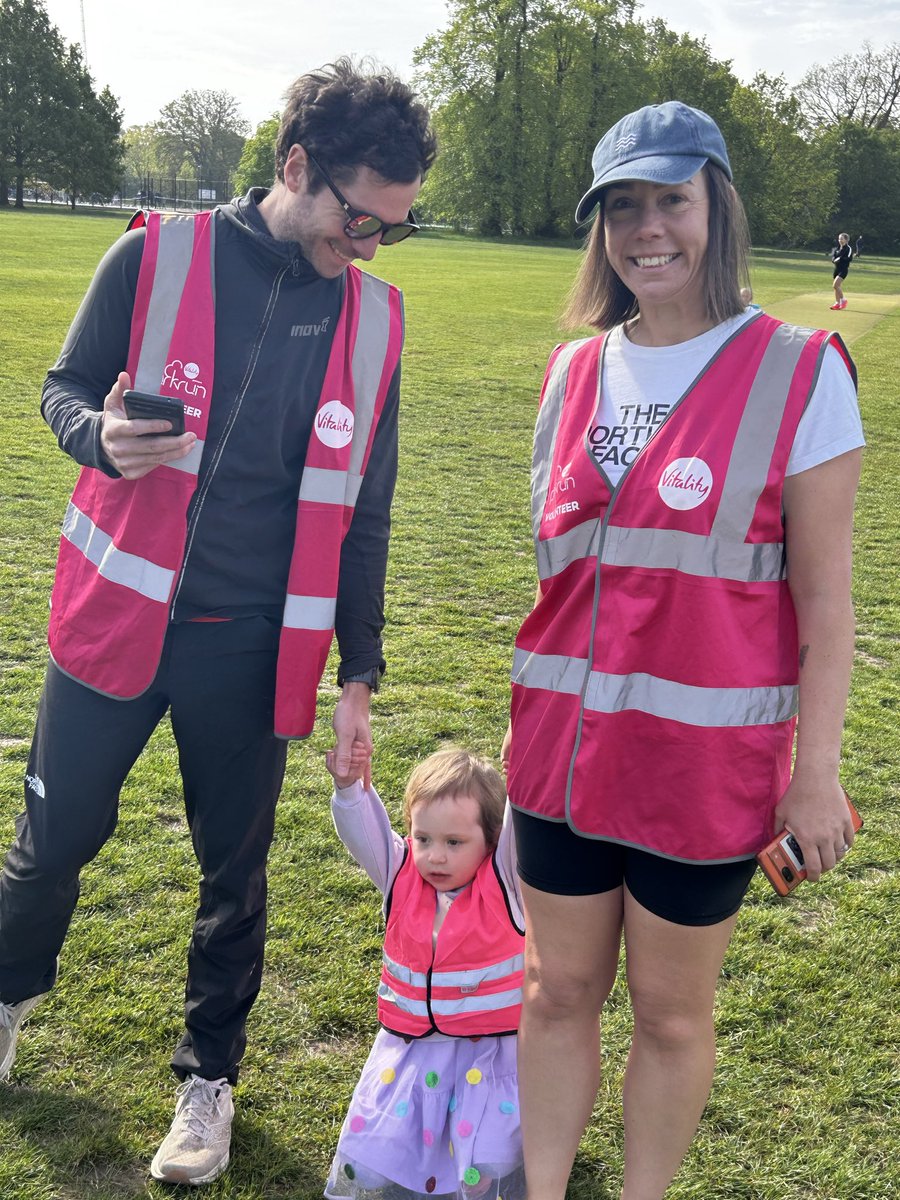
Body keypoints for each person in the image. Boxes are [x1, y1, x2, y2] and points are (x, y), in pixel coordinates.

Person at [0, 58, 436, 1186]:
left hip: (251, 647)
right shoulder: (152, 252)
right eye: (360, 219)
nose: (371, 246)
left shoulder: (377, 323)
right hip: (112, 622)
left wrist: (359, 677)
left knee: (233, 876)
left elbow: (368, 515)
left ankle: (209, 1084)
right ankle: (5, 1004)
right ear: (295, 167)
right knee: (50, 850)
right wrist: (97, 434)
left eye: (394, 228)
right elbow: (62, 383)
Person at [501, 101, 864, 1200]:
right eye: (623, 207)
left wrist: (816, 778)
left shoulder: (801, 373)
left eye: (672, 200)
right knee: (555, 991)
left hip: (699, 773)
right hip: (557, 760)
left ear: (719, 206)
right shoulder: (571, 374)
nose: (647, 229)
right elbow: (560, 581)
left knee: (668, 1014)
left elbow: (829, 608)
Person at [324, 746, 526, 1200]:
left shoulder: (507, 886)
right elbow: (364, 833)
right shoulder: (399, 877)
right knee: (396, 1151)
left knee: (483, 1158)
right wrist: (347, 787)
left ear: (491, 841)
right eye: (423, 839)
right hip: (416, 1054)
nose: (435, 856)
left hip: (490, 1057)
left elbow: (522, 828)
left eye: (454, 843)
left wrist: (523, 776)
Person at [830, 232, 852, 309]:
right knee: (836, 287)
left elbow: (849, 258)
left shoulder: (848, 248)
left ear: (846, 240)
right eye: (839, 239)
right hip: (836, 269)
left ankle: (843, 300)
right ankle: (837, 303)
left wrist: (840, 259)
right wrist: (834, 260)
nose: (840, 240)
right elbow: (833, 256)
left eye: (842, 239)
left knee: (835, 285)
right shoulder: (837, 248)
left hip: (843, 270)